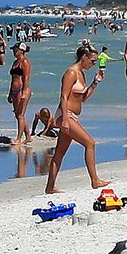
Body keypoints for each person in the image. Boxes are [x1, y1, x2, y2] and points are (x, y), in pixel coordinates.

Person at [45, 42, 109, 194]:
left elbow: (82, 98)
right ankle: (95, 180)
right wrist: (66, 119)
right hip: (65, 115)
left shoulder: (81, 74)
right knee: (90, 143)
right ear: (84, 57)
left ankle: (50, 187)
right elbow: (64, 96)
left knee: (59, 153)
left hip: (72, 116)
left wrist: (95, 83)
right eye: (92, 61)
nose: (93, 64)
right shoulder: (71, 73)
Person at [8, 44, 33, 145]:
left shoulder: (25, 62)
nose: (14, 52)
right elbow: (12, 78)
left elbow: (26, 77)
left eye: (15, 50)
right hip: (14, 91)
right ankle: (28, 136)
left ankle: (19, 138)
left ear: (21, 50)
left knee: (20, 115)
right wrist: (10, 93)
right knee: (18, 114)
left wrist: (24, 91)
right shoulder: (15, 62)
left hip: (21, 90)